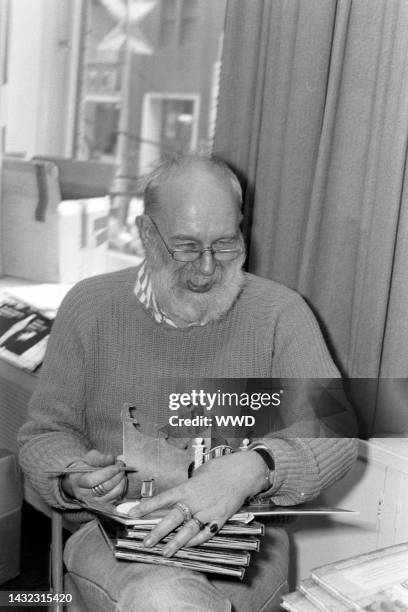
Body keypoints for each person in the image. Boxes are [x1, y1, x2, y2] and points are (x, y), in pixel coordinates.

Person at [18, 153, 358, 612]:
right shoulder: (90, 307)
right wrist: (74, 476)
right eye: (186, 246)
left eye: (225, 244)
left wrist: (252, 467)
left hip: (247, 543)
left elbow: (335, 431)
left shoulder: (280, 314)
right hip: (116, 539)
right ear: (145, 233)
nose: (205, 269)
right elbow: (44, 434)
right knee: (165, 598)